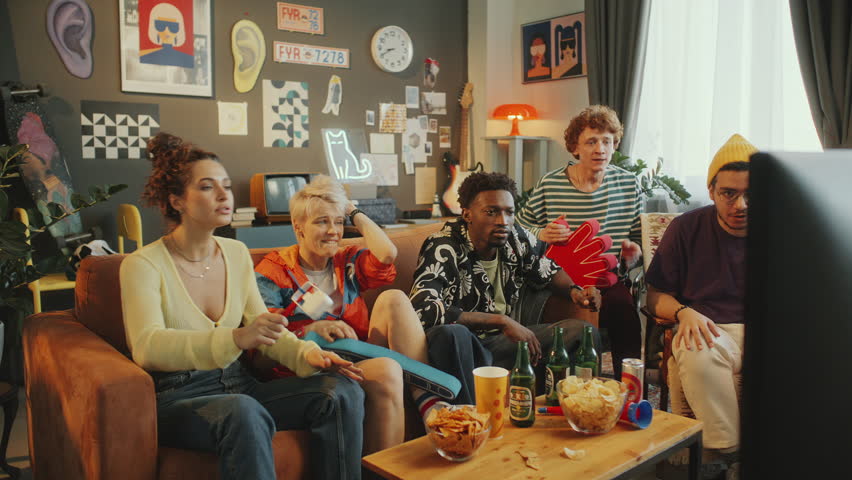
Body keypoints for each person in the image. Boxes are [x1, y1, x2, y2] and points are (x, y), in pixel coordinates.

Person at [120, 132, 365, 480]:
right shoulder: (142, 265)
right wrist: (235, 338)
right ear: (177, 201)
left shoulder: (235, 254)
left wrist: (309, 355)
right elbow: (147, 346)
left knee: (340, 391)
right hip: (179, 396)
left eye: (226, 185)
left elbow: (265, 328)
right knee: (243, 411)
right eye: (207, 187)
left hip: (240, 385)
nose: (224, 195)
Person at [254, 175, 440, 454]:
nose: (333, 231)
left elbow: (387, 255)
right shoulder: (274, 271)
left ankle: (429, 403)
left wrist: (353, 211)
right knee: (388, 369)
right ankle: (383, 471)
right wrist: (309, 331)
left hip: (355, 357)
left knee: (394, 299)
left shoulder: (346, 261)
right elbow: (263, 352)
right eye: (322, 222)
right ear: (298, 227)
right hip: (308, 367)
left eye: (338, 222)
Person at [410, 172, 602, 404]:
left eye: (509, 212)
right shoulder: (443, 246)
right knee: (452, 333)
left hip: (501, 344)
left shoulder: (515, 238)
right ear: (467, 214)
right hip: (463, 347)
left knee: (581, 333)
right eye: (491, 212)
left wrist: (576, 291)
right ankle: (471, 419)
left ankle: (580, 409)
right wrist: (500, 321)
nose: (503, 221)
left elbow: (547, 269)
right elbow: (423, 309)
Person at [645, 133, 754, 477]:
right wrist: (683, 312)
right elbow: (654, 295)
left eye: (751, 194)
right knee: (694, 348)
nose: (741, 205)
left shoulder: (785, 229)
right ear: (711, 191)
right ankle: (732, 454)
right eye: (729, 193)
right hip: (709, 328)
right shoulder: (686, 228)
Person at [515, 104, 643, 379]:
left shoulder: (629, 184)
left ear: (614, 145)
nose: (600, 149)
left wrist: (633, 255)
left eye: (607, 141)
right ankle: (572, 384)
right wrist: (542, 233)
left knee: (625, 312)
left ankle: (630, 385)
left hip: (607, 278)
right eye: (591, 142)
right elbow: (519, 228)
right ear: (575, 147)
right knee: (578, 319)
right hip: (559, 279)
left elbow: (637, 239)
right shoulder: (550, 184)